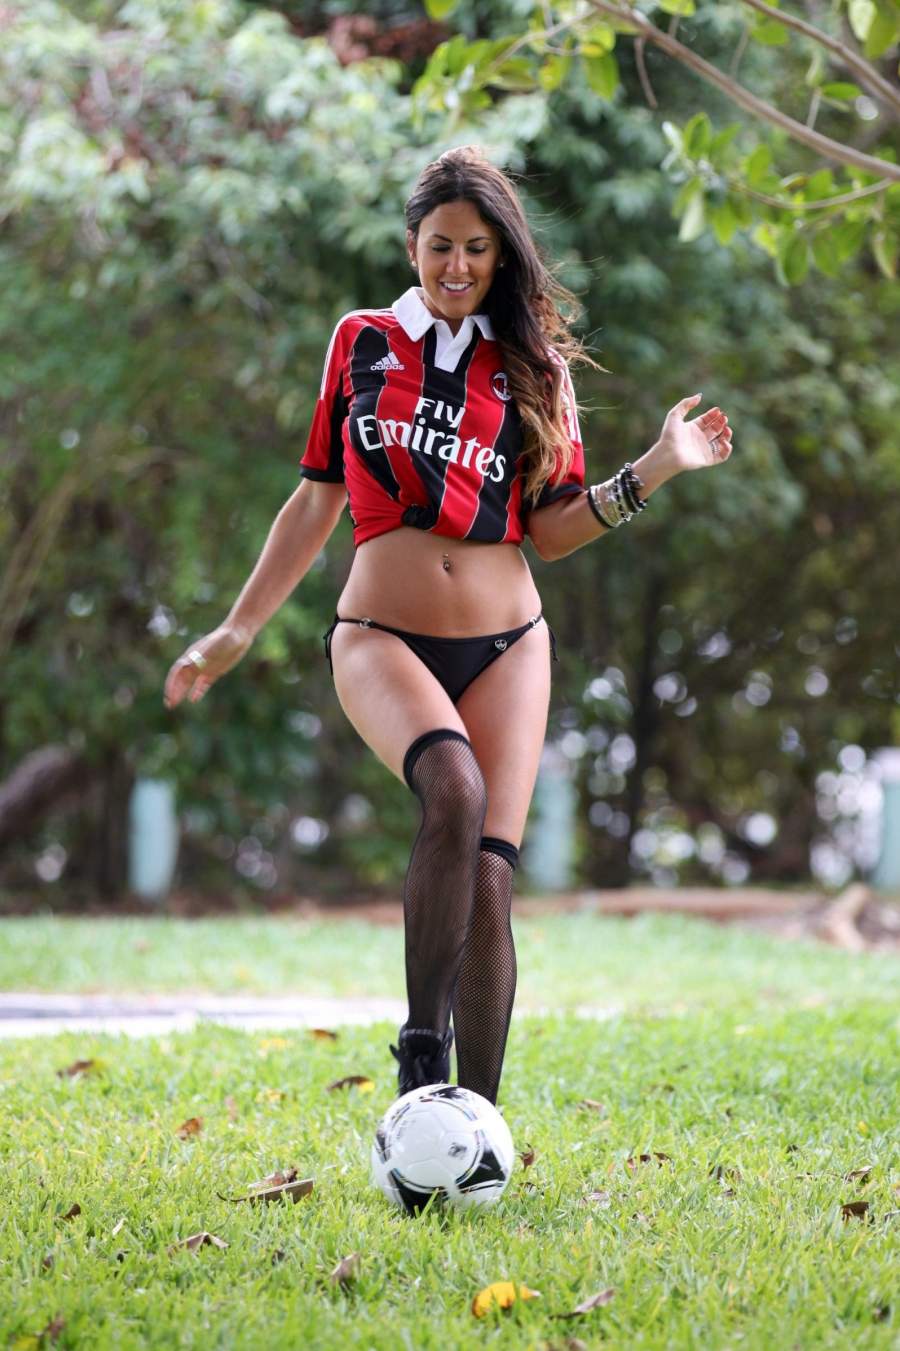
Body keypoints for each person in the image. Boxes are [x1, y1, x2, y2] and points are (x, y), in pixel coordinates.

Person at [163, 145, 733, 1107]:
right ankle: (422, 1057)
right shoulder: (362, 343)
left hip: (511, 643)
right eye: (440, 246)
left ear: (499, 255)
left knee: (492, 884)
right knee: (454, 789)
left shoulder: (535, 368)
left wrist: (655, 468)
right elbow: (315, 501)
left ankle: (478, 1134)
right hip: (379, 632)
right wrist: (238, 628)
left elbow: (551, 532)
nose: (457, 265)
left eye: (476, 248)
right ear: (412, 246)